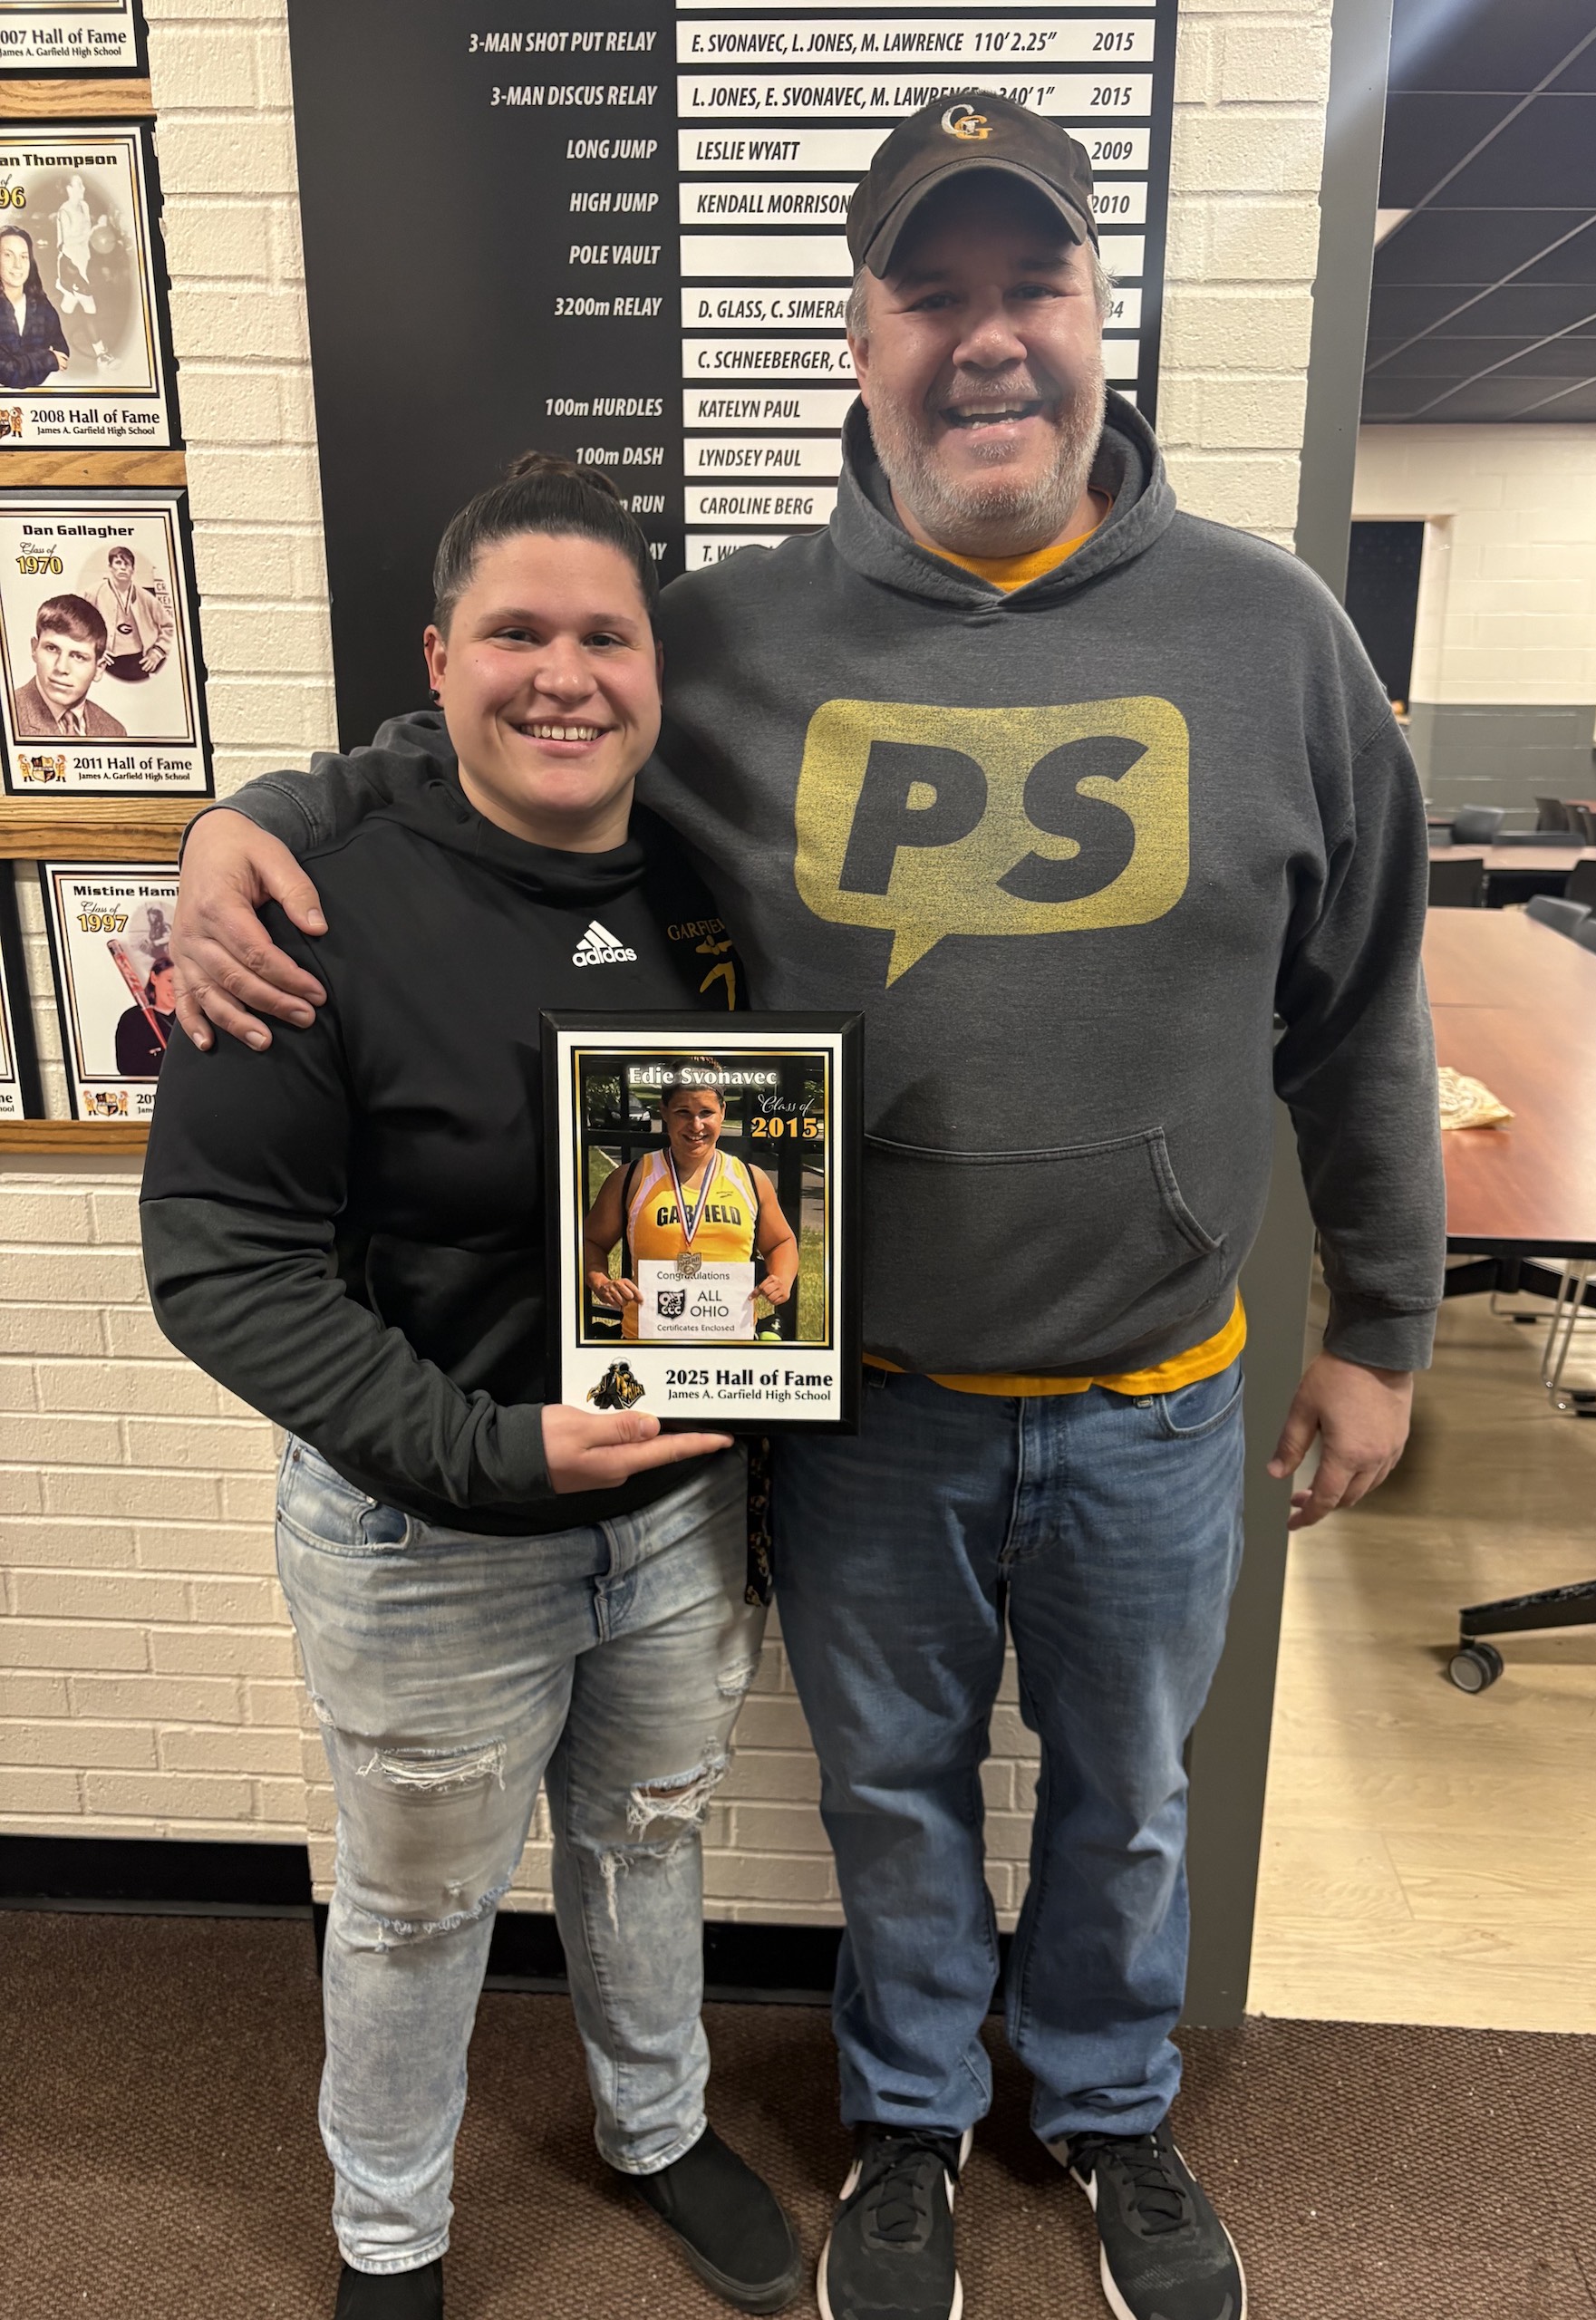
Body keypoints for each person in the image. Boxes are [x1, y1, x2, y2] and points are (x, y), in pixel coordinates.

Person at [169, 94, 1444, 2320]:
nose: (985, 343)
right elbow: (494, 752)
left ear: (1095, 312)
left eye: (1026, 288)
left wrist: (1388, 1321)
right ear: (855, 339)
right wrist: (250, 810)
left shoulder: (1274, 634)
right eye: (926, 296)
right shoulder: (730, 640)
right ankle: (914, 2124)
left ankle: (1113, 2106)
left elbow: (1364, 1007)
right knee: (896, 1802)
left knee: (1129, 1800)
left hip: (1160, 1391)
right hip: (867, 1403)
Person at [140, 456, 803, 2320]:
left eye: (605, 634)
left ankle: (655, 2123)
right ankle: (389, 2233)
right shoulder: (293, 904)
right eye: (515, 632)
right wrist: (484, 1448)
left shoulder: (711, 875)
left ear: (658, 669)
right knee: (420, 1903)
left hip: (672, 1508)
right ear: (436, 661)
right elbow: (217, 1257)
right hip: (423, 1530)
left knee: (652, 1839)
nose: (562, 674)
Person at [584, 1065, 800, 1343]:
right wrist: (602, 1282)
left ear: (722, 1112)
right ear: (664, 1112)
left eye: (706, 1112)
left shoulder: (750, 1179)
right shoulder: (631, 1178)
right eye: (683, 1112)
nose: (696, 1125)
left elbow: (781, 1243)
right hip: (647, 1345)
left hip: (732, 1350)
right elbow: (590, 1242)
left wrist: (782, 1278)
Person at [12, 594, 125, 738]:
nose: (61, 668)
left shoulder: (114, 731)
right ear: (34, 649)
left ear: (99, 669)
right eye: (51, 648)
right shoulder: (6, 715)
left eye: (78, 657)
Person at [52, 171, 115, 372]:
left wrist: (98, 227)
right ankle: (101, 354)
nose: (83, 188)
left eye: (83, 185)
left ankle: (41, 336)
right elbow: (67, 242)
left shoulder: (85, 206)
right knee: (90, 307)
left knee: (68, 307)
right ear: (70, 189)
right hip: (70, 265)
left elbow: (90, 239)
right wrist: (95, 229)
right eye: (79, 185)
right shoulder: (64, 212)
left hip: (83, 264)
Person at [86, 542, 173, 682]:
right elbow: (80, 627)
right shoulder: (93, 593)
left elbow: (169, 626)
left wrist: (158, 652)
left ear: (133, 569)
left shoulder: (145, 597)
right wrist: (94, 651)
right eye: (118, 563)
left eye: (127, 564)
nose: (122, 567)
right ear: (110, 567)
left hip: (138, 661)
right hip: (106, 661)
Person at [0, 221, 68, 389]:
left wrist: (21, 362)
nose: (18, 265)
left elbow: (62, 352)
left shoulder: (42, 306)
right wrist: (47, 359)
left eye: (23, 256)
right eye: (8, 255)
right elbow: (7, 372)